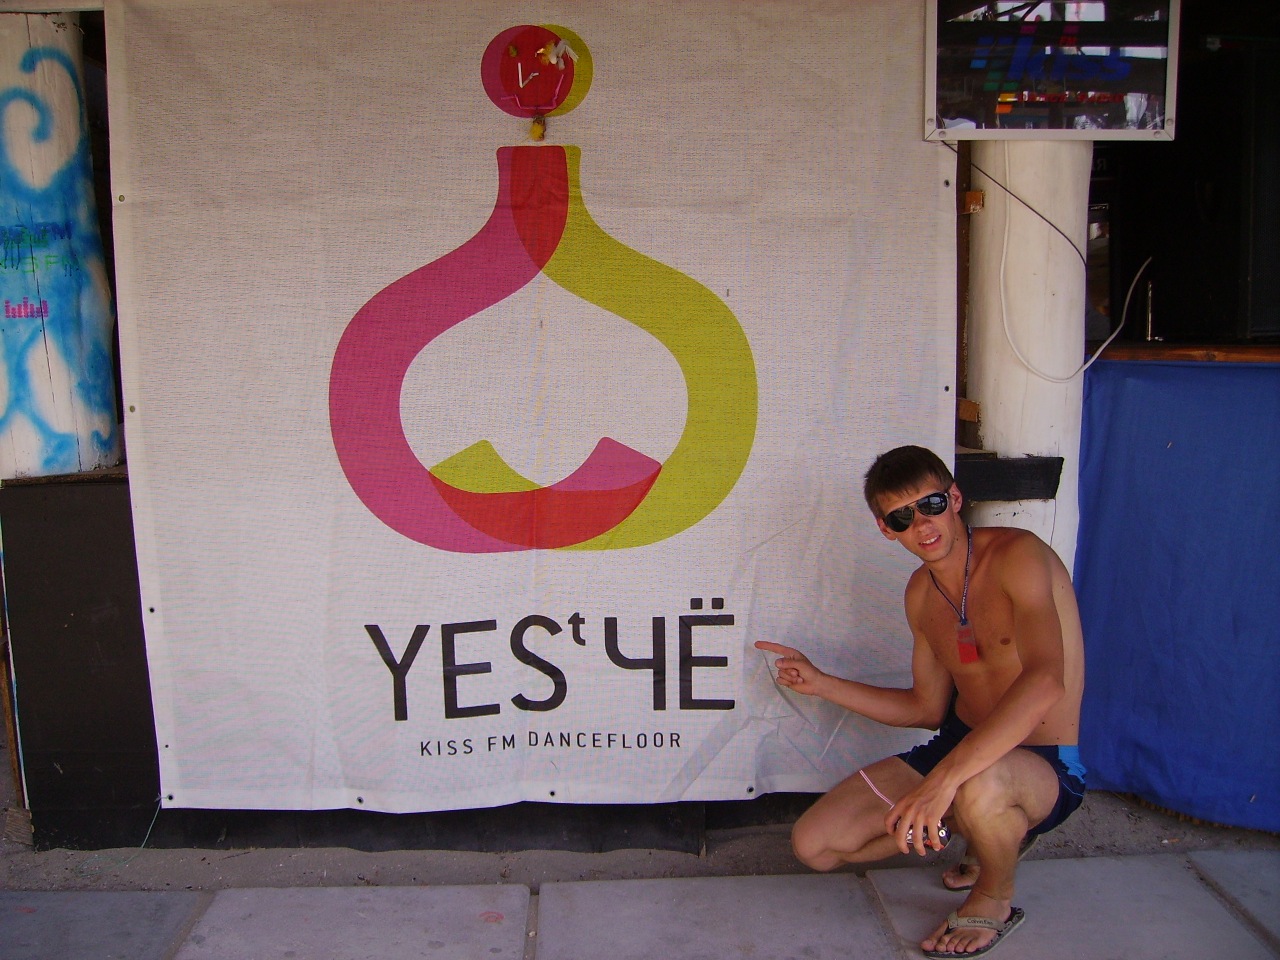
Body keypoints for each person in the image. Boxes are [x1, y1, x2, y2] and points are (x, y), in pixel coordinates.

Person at [756, 445, 1085, 959]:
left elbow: (1046, 682)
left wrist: (943, 782)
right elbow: (925, 709)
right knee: (815, 844)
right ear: (886, 529)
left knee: (980, 783)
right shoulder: (920, 594)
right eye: (901, 517)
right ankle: (969, 825)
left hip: (1042, 761)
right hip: (958, 746)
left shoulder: (1018, 556)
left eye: (930, 504)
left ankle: (993, 894)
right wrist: (822, 684)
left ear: (954, 498)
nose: (921, 524)